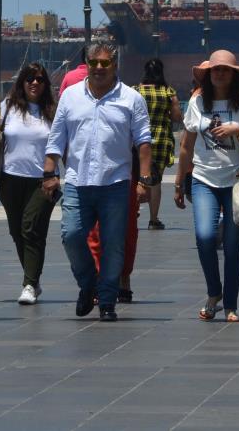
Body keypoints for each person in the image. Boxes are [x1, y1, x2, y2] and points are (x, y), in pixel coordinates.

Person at [44, 40, 152, 322]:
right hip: (77, 182)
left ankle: (106, 301)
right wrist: (49, 172)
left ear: (115, 65)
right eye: (95, 63)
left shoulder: (131, 99)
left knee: (113, 244)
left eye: (106, 63)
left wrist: (145, 180)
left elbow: (143, 143)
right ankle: (88, 282)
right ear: (87, 65)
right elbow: (57, 137)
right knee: (71, 235)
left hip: (116, 182)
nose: (100, 68)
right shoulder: (70, 97)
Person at [173, 51, 239, 322]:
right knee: (205, 237)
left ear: (234, 74)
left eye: (225, 70)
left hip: (237, 180)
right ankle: (214, 292)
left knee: (234, 247)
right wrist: (179, 181)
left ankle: (231, 304)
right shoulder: (198, 102)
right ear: (208, 74)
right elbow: (186, 146)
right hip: (203, 179)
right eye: (215, 70)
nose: (220, 74)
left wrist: (238, 130)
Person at [0, 62, 57, 306]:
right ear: (21, 82)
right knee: (17, 232)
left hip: (42, 180)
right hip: (9, 179)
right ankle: (33, 278)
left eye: (40, 79)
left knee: (30, 228)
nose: (35, 83)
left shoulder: (52, 111)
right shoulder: (8, 107)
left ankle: (29, 284)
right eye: (30, 79)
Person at [134, 58, 182, 230]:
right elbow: (177, 117)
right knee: (155, 181)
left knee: (136, 178)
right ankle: (154, 220)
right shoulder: (168, 92)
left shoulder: (135, 91)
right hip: (161, 139)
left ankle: (133, 214)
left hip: (138, 139)